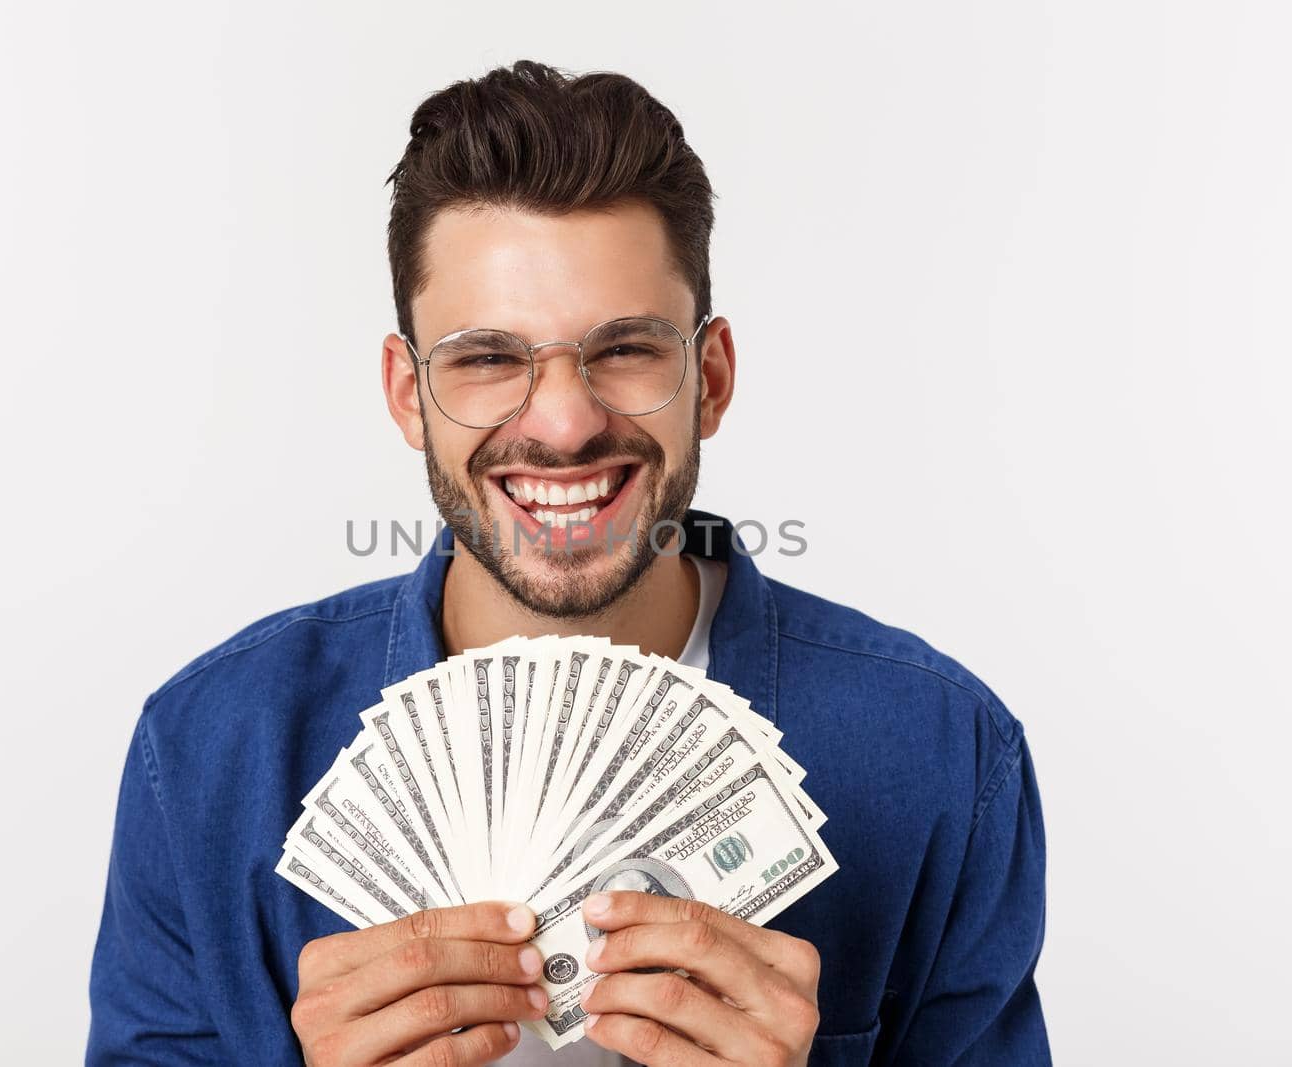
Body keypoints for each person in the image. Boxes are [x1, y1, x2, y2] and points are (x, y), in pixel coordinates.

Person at [87, 59, 1050, 1066]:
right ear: (408, 393)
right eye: (488, 357)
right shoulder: (205, 752)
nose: (562, 422)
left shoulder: (944, 752)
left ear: (708, 376)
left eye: (625, 348)